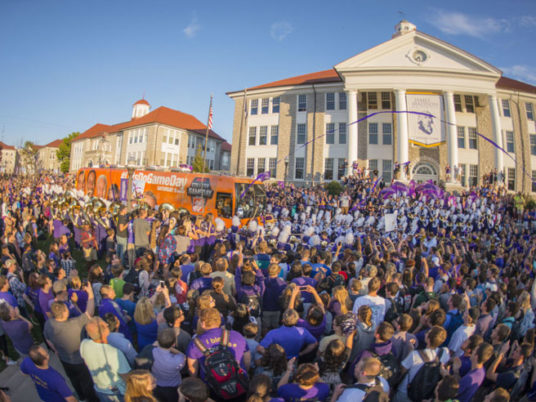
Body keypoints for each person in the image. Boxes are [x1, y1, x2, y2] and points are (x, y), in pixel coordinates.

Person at [43, 283, 98, 402]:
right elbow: (90, 312)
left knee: (74, 380)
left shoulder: (48, 324)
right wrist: (90, 293)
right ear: (64, 312)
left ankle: (81, 397)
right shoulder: (75, 324)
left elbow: (47, 339)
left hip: (65, 360)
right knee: (87, 383)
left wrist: (56, 350)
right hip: (80, 361)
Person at [186, 307, 251, 378]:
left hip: (211, 383)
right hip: (238, 381)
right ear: (219, 321)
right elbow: (247, 360)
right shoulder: (237, 335)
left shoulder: (195, 343)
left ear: (203, 323)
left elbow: (192, 370)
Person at [80, 317, 131, 401]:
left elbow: (86, 362)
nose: (107, 324)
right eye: (106, 325)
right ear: (104, 332)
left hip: (99, 389)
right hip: (117, 393)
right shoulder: (114, 353)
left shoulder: (84, 344)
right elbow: (125, 376)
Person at [151, 328, 186, 402]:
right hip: (173, 387)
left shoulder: (152, 351)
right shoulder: (178, 359)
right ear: (173, 344)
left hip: (156, 384)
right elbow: (183, 356)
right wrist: (171, 349)